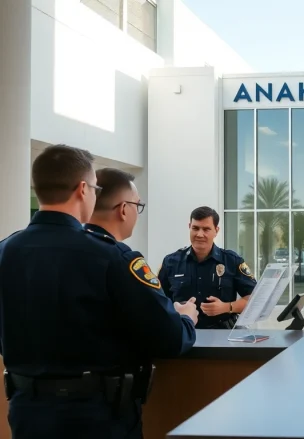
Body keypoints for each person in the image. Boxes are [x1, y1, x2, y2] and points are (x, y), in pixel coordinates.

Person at [0, 145, 198, 439]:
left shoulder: (5, 251)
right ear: (82, 189)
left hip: (26, 412)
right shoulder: (112, 257)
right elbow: (168, 339)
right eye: (94, 188)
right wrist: (185, 319)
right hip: (97, 416)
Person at [158, 206, 257, 329]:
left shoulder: (232, 261)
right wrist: (176, 309)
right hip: (182, 333)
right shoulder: (171, 262)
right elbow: (158, 301)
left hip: (222, 335)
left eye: (206, 229)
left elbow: (255, 300)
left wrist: (226, 307)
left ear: (216, 230)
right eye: (195, 228)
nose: (200, 234)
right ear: (189, 227)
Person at [83, 167, 146, 242]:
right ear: (123, 210)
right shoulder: (122, 253)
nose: (138, 215)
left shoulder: (68, 242)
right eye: (137, 205)